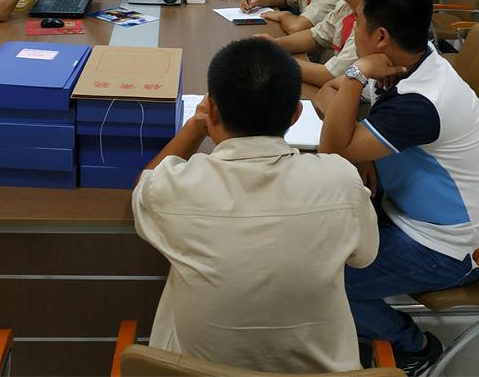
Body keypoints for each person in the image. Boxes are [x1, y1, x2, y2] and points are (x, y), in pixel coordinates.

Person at [132, 38, 379, 373]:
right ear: (296, 114)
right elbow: (364, 257)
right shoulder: (341, 181)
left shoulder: (173, 188)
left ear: (212, 110)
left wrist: (194, 127)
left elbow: (143, 188)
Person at [318, 0, 479, 375]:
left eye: (358, 22)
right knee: (313, 239)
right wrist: (363, 149)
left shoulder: (421, 100)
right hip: (407, 212)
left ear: (381, 37)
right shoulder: (410, 63)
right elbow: (327, 93)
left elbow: (331, 147)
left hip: (450, 247)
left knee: (321, 281)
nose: (353, 30)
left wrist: (355, 77)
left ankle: (415, 345)